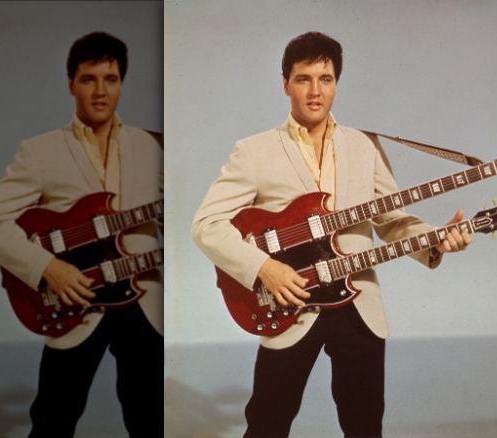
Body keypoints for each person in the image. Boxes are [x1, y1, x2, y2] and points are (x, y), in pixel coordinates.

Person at [191, 31, 470, 437]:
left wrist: (436, 238)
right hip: (290, 303)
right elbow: (206, 225)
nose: (315, 91)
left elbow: (392, 222)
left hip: (359, 306)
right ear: (285, 83)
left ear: (337, 83)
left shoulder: (364, 147)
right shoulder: (253, 151)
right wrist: (263, 267)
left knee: (364, 427)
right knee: (268, 424)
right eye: (304, 79)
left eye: (326, 79)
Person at [0, 32, 163, 437]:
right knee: (53, 421)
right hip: (74, 299)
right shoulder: (39, 151)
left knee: (149, 420)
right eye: (88, 79)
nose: (100, 91)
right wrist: (46, 268)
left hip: (145, 303)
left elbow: (179, 220)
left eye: (110, 79)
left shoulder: (153, 147)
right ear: (70, 84)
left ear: (122, 83)